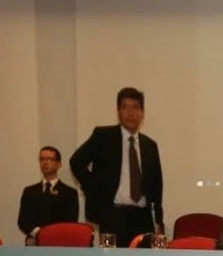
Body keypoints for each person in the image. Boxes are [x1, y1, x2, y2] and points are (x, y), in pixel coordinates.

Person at [69, 86, 164, 245]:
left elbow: (157, 185)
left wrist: (159, 220)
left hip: (143, 217)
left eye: (135, 107)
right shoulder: (103, 136)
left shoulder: (150, 145)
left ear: (142, 113)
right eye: (125, 107)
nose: (130, 113)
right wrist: (94, 188)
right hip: (113, 216)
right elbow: (76, 162)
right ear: (118, 111)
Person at [16, 146, 79, 244]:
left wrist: (50, 235)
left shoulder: (69, 193)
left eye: (49, 159)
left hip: (59, 243)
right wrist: (39, 233)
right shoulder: (29, 191)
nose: (44, 162)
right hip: (34, 242)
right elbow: (22, 221)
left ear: (59, 164)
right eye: (42, 159)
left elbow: (70, 222)